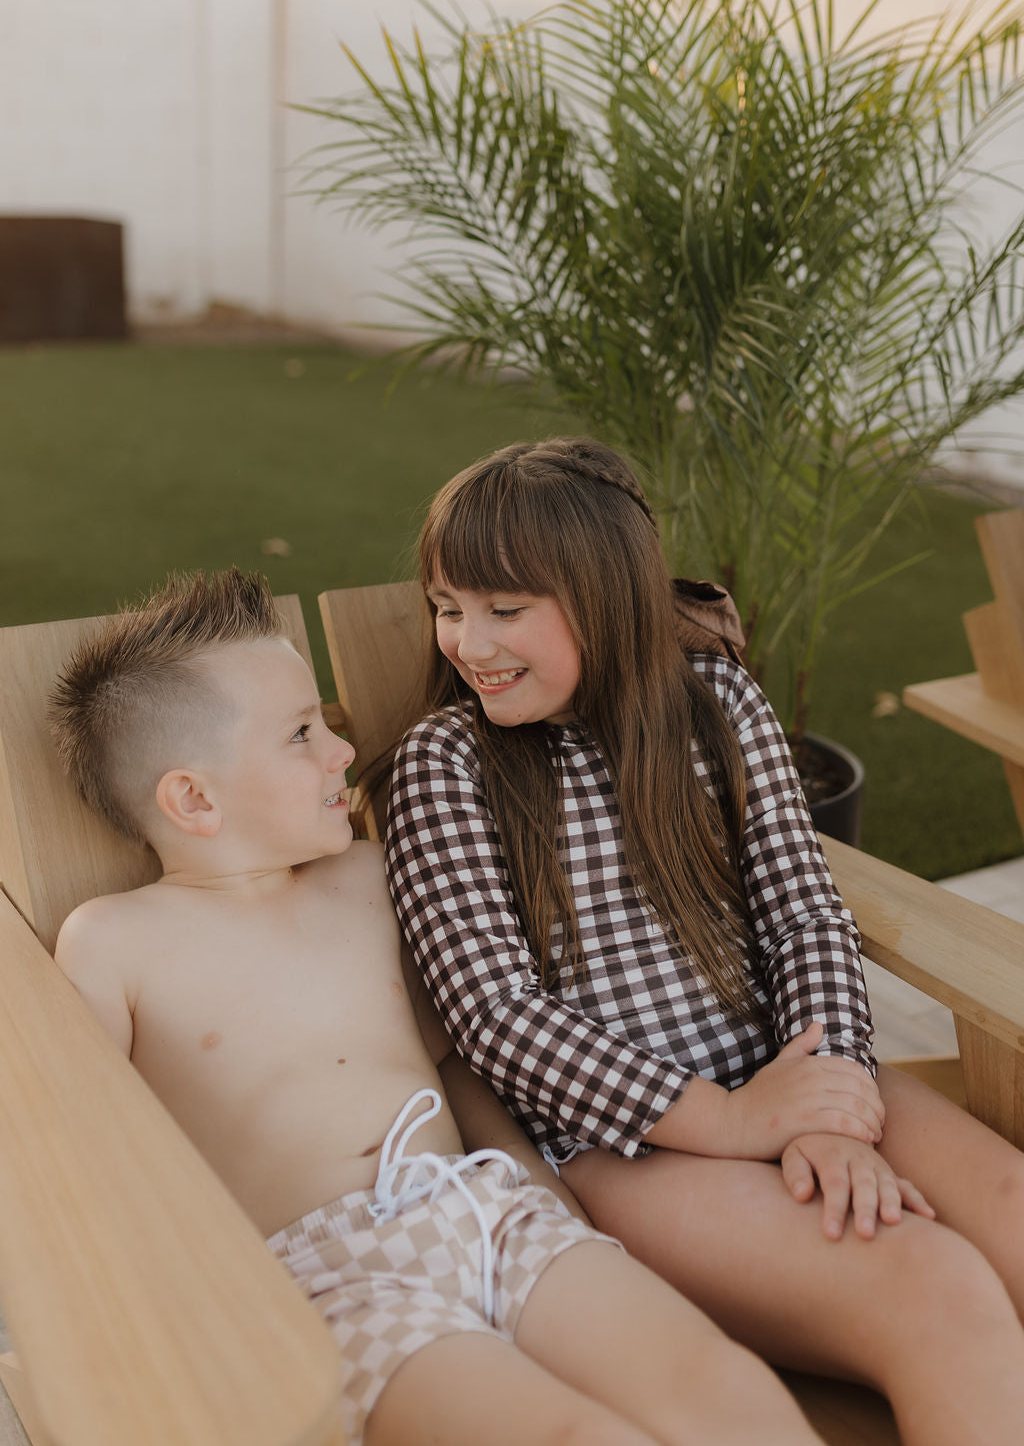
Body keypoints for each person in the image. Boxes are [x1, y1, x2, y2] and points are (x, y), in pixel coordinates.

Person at [48, 568, 826, 1446]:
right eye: (303, 734)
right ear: (194, 798)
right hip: (323, 1277)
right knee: (568, 1433)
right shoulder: (114, 941)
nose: (344, 752)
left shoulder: (371, 881)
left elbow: (454, 1060)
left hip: (490, 1211)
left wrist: (539, 1191)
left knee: (721, 1386)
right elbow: (76, 1157)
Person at [385, 436, 1024, 1446]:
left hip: (787, 1067)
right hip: (625, 1145)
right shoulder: (446, 764)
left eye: (503, 610)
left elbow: (802, 912)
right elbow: (494, 1014)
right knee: (935, 1288)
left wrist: (825, 1103)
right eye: (446, 607)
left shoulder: (718, 707)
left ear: (606, 599)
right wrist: (730, 1123)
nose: (467, 641)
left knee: (1013, 1216)